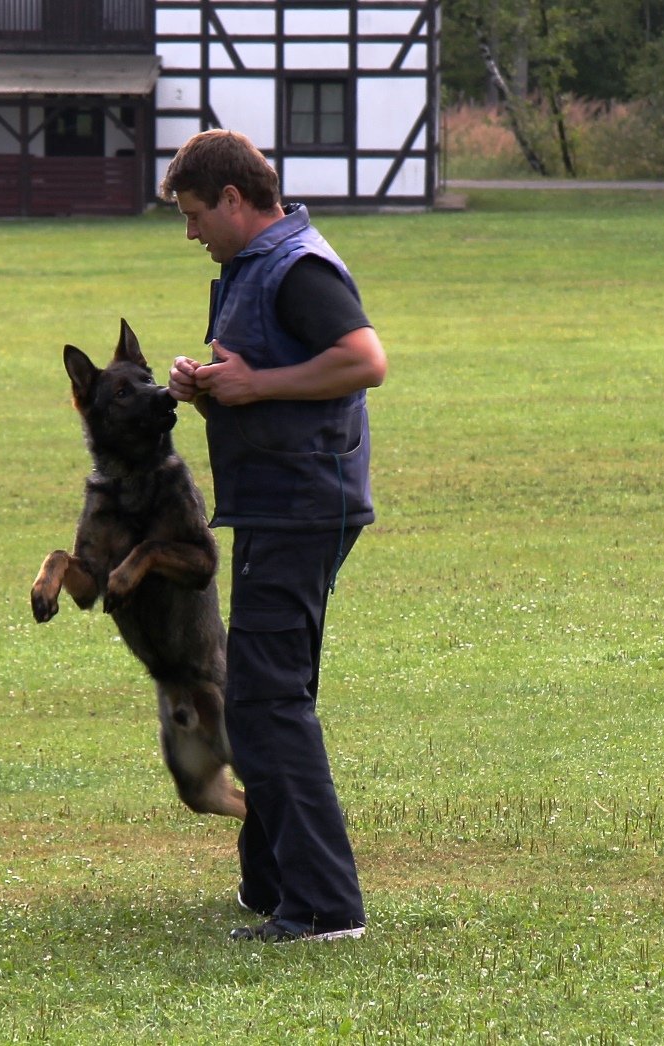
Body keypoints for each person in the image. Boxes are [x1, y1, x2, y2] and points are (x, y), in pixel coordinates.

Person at [160, 130, 387, 943]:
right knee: (265, 697)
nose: (191, 234)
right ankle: (271, 885)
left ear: (232, 199)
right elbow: (257, 372)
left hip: (299, 505)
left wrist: (255, 385)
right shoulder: (252, 267)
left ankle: (325, 908)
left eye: (194, 216)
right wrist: (209, 383)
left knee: (265, 702)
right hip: (275, 502)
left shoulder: (299, 266)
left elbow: (363, 360)